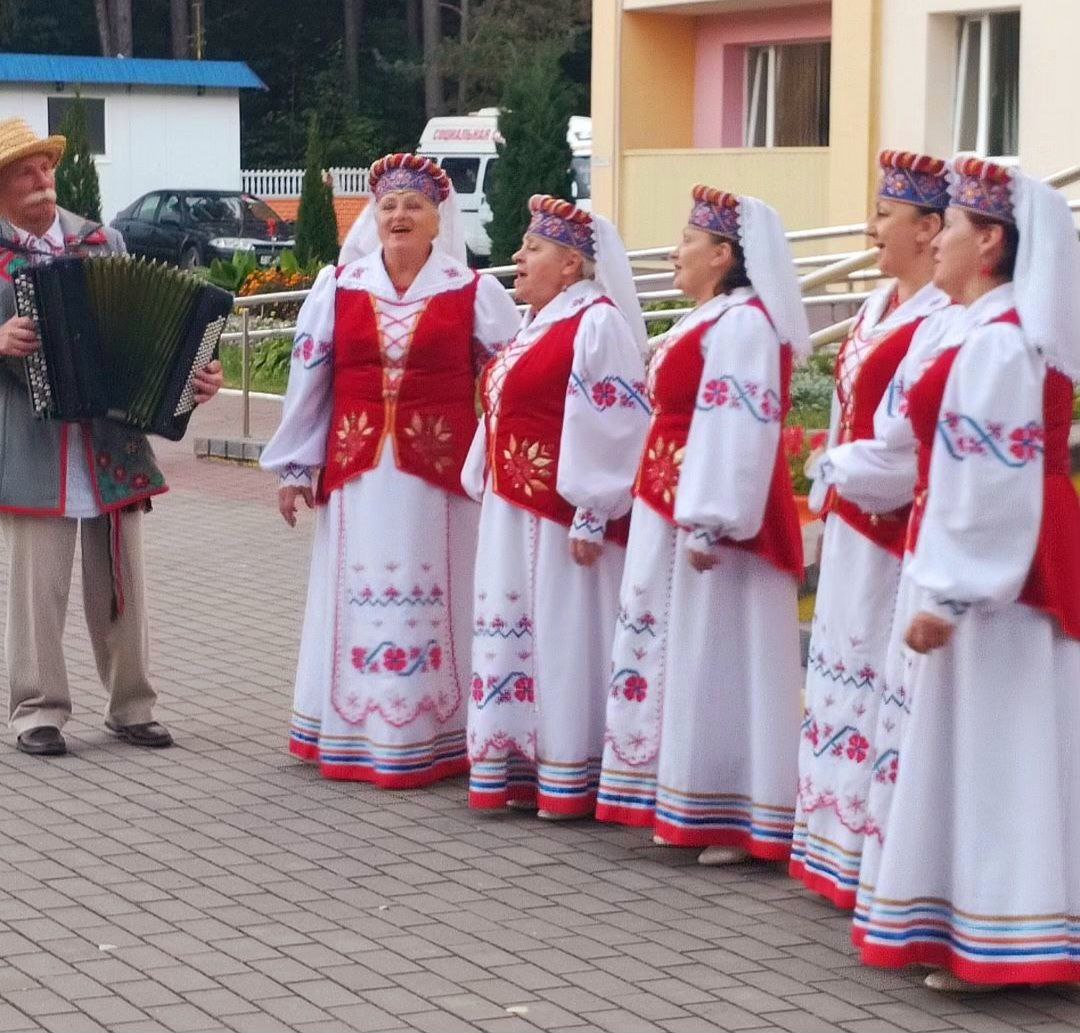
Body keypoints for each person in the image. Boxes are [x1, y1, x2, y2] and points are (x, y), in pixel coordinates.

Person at [857, 158, 1080, 991]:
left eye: (950, 224)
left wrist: (951, 592)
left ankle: (1006, 937)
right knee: (1005, 736)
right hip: (1002, 559)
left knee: (1002, 739)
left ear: (988, 242)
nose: (938, 239)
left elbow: (991, 479)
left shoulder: (999, 340)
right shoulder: (990, 329)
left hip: (1003, 574)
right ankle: (1001, 928)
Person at [261, 153, 519, 787]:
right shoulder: (339, 287)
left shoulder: (472, 291)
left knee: (442, 591)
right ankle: (356, 733)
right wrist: (295, 467)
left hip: (442, 479)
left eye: (415, 206)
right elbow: (309, 382)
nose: (400, 215)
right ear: (374, 218)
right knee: (358, 592)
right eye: (389, 206)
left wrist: (503, 465)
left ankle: (441, 734)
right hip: (359, 474)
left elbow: (509, 381)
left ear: (438, 220)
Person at [596, 185, 808, 864]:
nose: (676, 251)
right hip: (675, 501)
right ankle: (685, 794)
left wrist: (713, 518)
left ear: (723, 254)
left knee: (721, 652)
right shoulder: (712, 317)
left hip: (719, 515)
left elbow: (739, 423)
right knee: (685, 649)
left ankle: (736, 810)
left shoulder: (744, 324)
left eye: (688, 240)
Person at [0, 117, 223, 756]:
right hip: (33, 447)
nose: (42, 180)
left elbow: (149, 336)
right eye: (25, 171)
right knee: (37, 590)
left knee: (122, 585)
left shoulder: (102, 242)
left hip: (110, 444)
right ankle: (37, 712)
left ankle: (132, 706)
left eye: (45, 167)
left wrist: (194, 378)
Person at [789, 152, 951, 907]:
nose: (870, 227)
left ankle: (872, 848)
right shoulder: (880, 304)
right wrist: (833, 484)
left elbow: (909, 441)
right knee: (843, 664)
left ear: (929, 228)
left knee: (877, 673)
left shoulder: (940, 320)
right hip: (855, 515)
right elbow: (848, 409)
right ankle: (835, 838)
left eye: (885, 214)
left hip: (893, 524)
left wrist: (839, 470)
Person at [463, 194, 648, 818]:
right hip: (514, 507)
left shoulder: (597, 323)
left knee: (565, 633)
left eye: (533, 247)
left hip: (560, 513)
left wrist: (594, 509)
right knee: (522, 627)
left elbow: (615, 420)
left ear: (571, 264)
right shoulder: (537, 323)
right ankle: (522, 763)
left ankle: (570, 768)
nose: (517, 257)